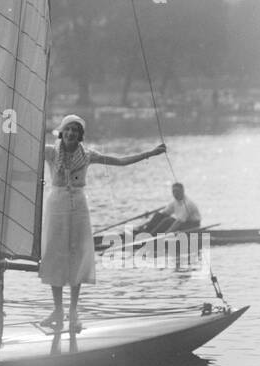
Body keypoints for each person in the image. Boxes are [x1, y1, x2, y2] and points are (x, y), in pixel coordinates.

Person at [40, 115, 166, 333]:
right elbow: (25, 146)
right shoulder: (51, 152)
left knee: (78, 255)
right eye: (67, 129)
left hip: (78, 206)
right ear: (62, 132)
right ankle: (58, 310)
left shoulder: (87, 156)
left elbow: (120, 161)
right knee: (55, 254)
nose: (71, 133)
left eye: (75, 131)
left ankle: (73, 313)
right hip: (56, 205)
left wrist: (151, 153)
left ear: (80, 135)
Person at [136, 183, 201, 237]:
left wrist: (167, 233)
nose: (175, 194)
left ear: (182, 191)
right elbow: (163, 214)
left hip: (192, 226)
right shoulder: (175, 202)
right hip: (182, 223)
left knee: (168, 221)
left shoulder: (187, 204)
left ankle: (150, 236)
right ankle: (145, 231)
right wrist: (145, 224)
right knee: (158, 215)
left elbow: (179, 222)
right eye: (173, 191)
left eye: (177, 191)